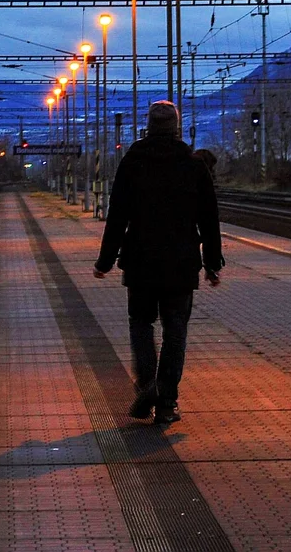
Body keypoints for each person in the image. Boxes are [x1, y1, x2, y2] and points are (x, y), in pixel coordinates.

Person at [93, 101, 222, 424]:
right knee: (175, 330)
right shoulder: (193, 166)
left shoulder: (133, 162)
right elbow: (209, 219)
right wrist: (212, 264)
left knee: (141, 323)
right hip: (181, 263)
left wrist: (105, 261)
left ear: (147, 128)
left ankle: (147, 383)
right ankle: (166, 401)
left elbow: (117, 215)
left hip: (140, 261)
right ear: (176, 128)